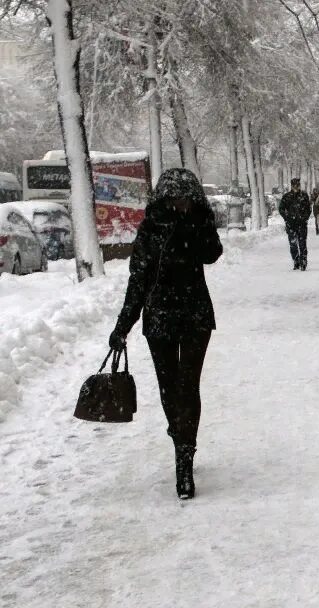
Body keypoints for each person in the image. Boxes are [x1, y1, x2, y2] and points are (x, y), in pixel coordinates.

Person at [108, 168, 222, 500]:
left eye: (187, 198)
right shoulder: (151, 228)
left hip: (195, 317)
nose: (181, 204)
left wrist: (201, 221)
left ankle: (184, 457)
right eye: (176, 198)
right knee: (169, 388)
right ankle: (179, 431)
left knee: (188, 386)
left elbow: (212, 254)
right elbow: (138, 279)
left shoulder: (198, 223)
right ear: (164, 199)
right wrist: (122, 326)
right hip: (159, 319)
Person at [279, 177, 312, 270]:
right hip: (291, 224)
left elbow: (308, 208)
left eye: (297, 185)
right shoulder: (287, 196)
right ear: (291, 186)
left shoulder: (304, 196)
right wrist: (287, 217)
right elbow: (281, 208)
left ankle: (303, 260)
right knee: (293, 244)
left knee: (302, 243)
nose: (296, 187)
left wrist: (305, 218)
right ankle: (296, 260)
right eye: (294, 185)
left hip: (302, 223)